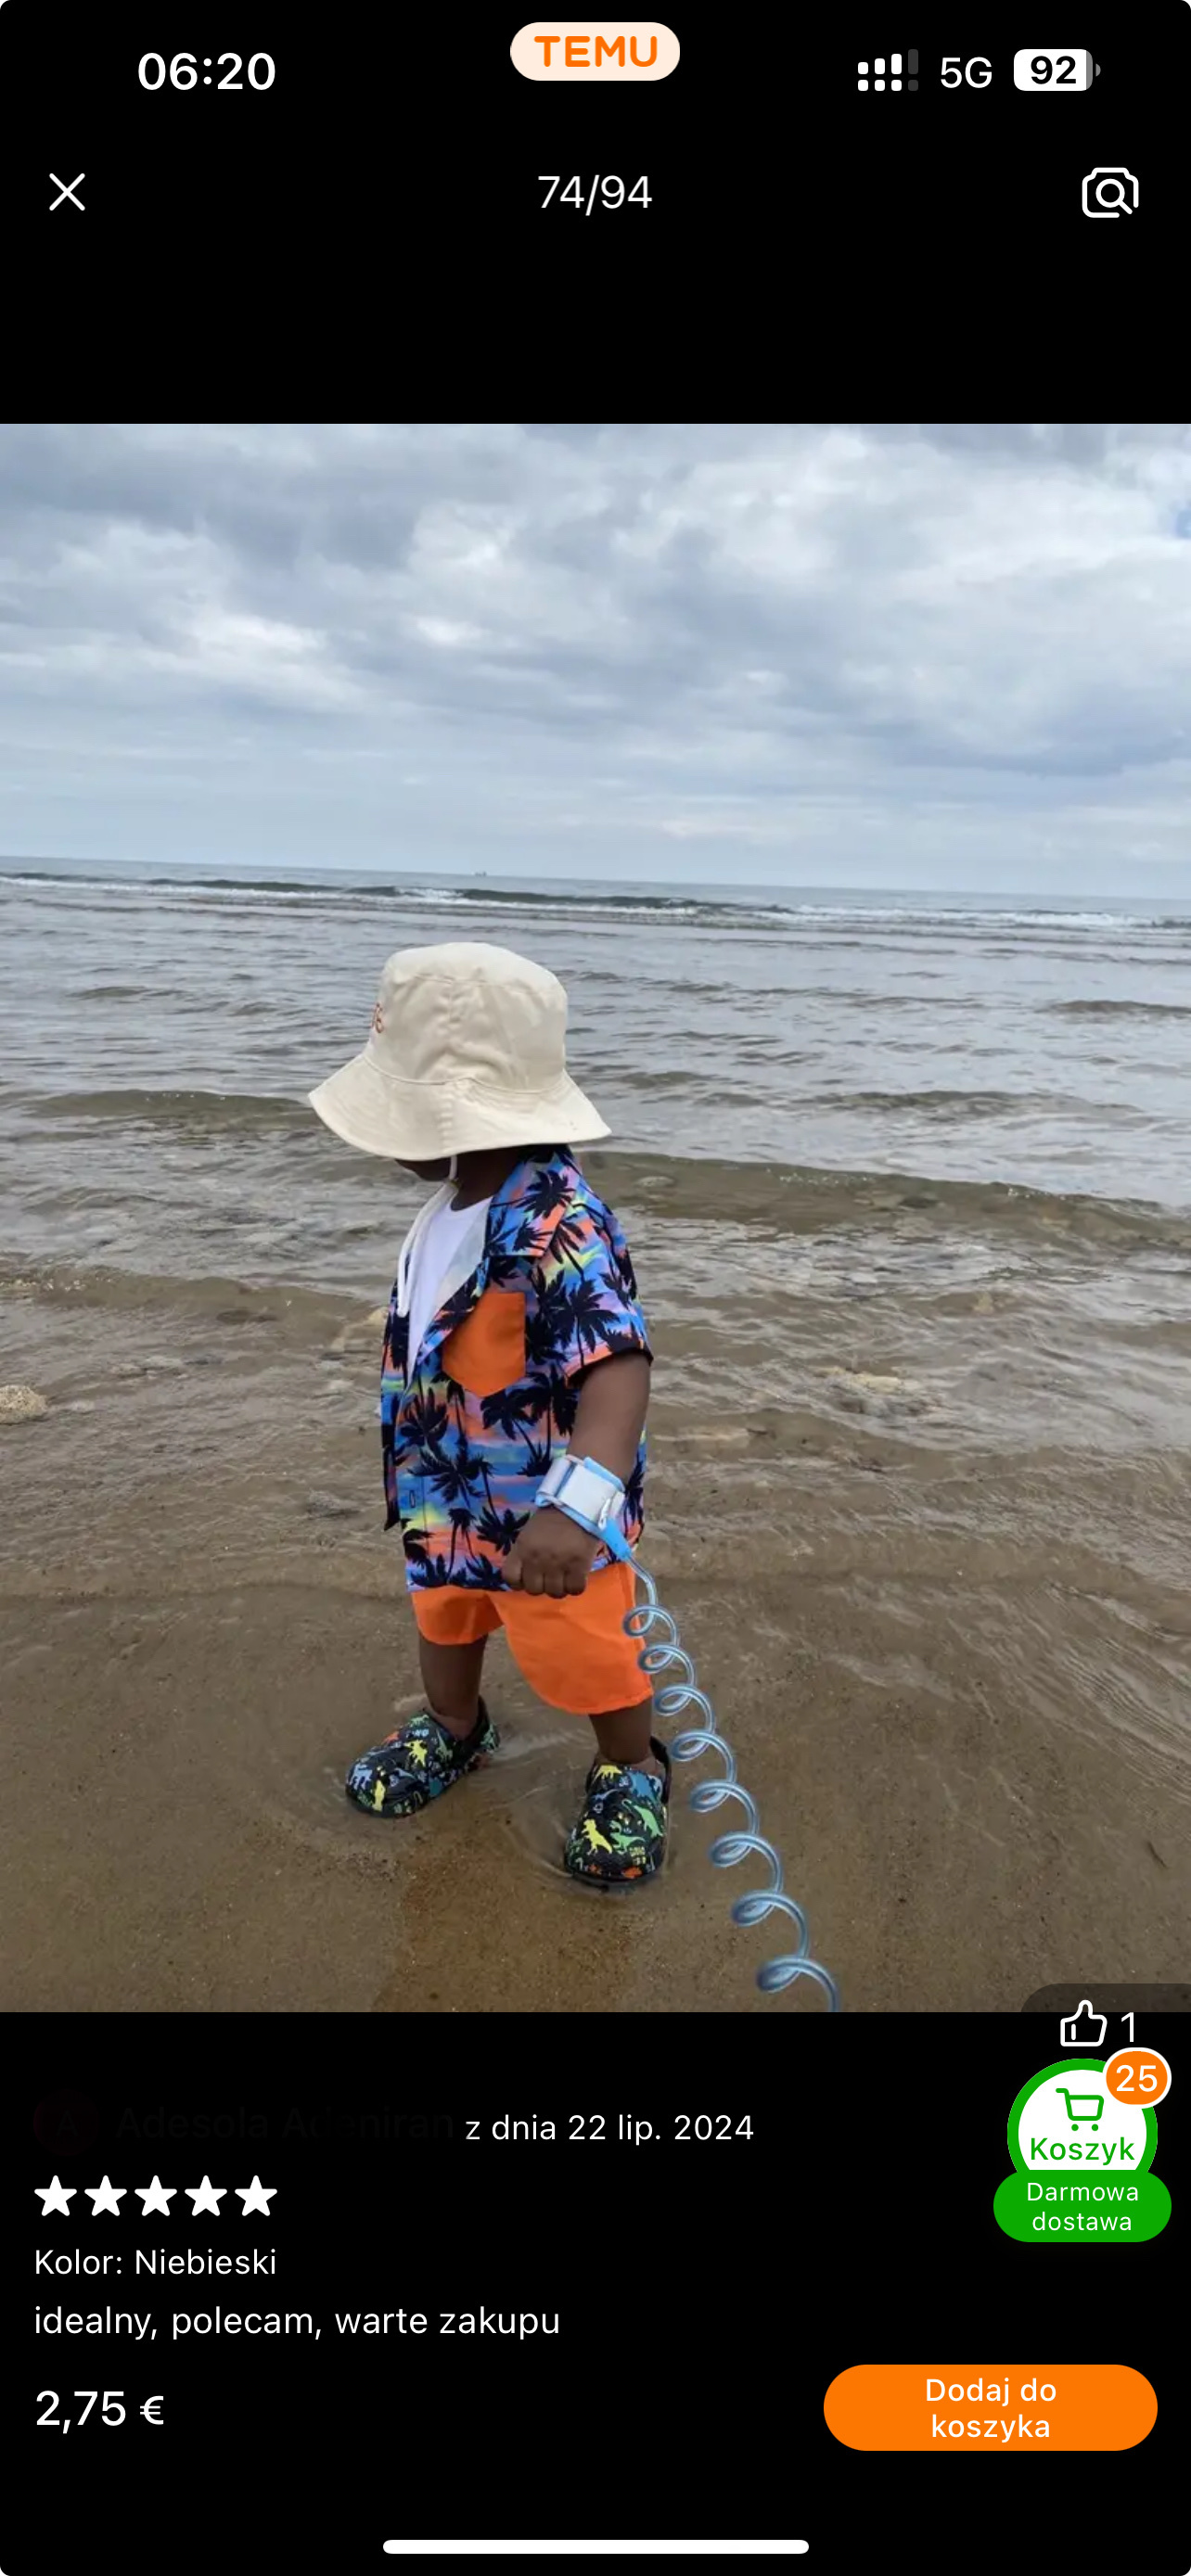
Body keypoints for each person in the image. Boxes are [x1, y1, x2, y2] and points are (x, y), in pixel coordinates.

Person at [308, 939, 668, 1883]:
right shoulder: (453, 1205)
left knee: (592, 1652)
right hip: (444, 1496)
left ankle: (631, 1768)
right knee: (446, 1619)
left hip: (549, 1526)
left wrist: (575, 1507)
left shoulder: (559, 1222)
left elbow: (618, 1368)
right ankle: (456, 1726)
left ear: (456, 1110)